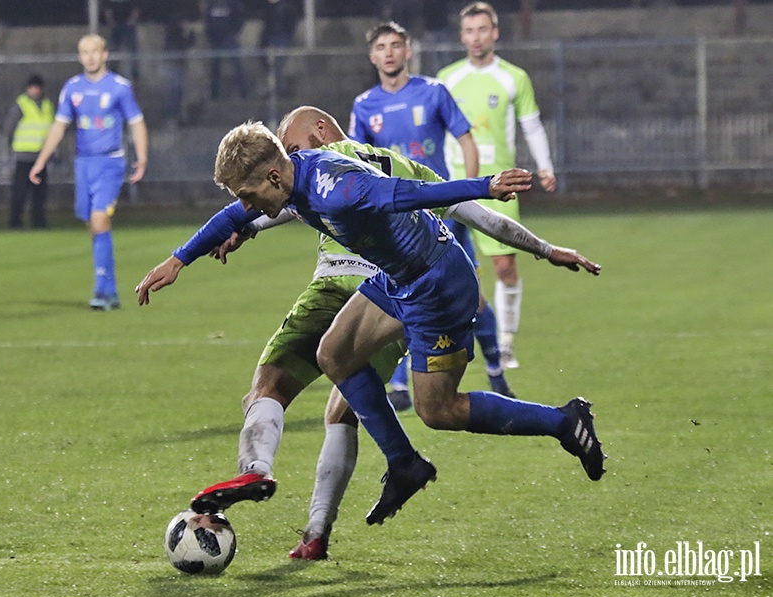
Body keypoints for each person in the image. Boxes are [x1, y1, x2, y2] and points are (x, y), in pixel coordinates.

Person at [137, 117, 604, 554]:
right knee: (333, 355)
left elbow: (411, 194)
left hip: (438, 285)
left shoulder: (341, 189)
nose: (246, 207)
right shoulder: (296, 173)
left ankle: (564, 421)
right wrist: (179, 259)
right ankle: (404, 462)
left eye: (247, 194)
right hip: (395, 279)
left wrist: (487, 187)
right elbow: (231, 219)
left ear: (273, 179)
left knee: (438, 410)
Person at [349, 21, 511, 409]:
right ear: (373, 57)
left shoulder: (433, 92)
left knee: (474, 301)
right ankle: (401, 384)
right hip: (396, 225)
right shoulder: (364, 105)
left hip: (442, 217)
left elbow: (466, 141)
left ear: (408, 51)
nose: (389, 52)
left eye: (395, 45)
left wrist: (466, 196)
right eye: (381, 47)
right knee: (403, 296)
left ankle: (495, 367)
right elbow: (354, 161)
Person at [438, 1, 557, 369]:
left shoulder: (513, 78)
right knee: (447, 270)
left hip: (500, 187)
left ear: (495, 33)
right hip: (453, 188)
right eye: (469, 31)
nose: (476, 38)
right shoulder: (447, 78)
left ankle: (505, 343)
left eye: (483, 30)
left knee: (505, 267)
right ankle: (452, 340)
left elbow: (532, 124)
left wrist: (545, 166)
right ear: (462, 37)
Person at [29, 34, 148, 311]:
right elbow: (59, 126)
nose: (90, 57)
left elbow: (137, 123)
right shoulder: (72, 88)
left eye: (95, 51)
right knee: (92, 226)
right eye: (84, 52)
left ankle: (102, 291)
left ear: (105, 54)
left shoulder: (119, 87)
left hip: (110, 163)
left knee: (99, 221)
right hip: (84, 164)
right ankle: (111, 290)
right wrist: (40, 161)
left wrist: (141, 158)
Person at [4, 74, 54, 229]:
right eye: (32, 87)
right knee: (19, 192)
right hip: (24, 154)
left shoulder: (47, 105)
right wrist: (11, 146)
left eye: (37, 87)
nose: (35, 90)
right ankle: (15, 222)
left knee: (40, 193)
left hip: (41, 156)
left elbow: (51, 128)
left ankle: (38, 222)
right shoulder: (22, 104)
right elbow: (9, 127)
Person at [202, 0, 249, 100]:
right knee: (215, 69)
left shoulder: (233, 3)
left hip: (229, 39)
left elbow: (239, 19)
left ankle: (244, 93)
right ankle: (214, 95)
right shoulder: (212, 4)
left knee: (237, 66)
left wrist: (232, 34)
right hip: (216, 41)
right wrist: (212, 37)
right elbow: (207, 22)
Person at [163, 2, 196, 126]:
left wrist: (191, 35)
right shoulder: (175, 28)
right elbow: (182, 44)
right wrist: (189, 34)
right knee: (174, 90)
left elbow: (188, 43)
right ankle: (171, 118)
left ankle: (177, 117)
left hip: (179, 62)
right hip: (173, 61)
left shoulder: (177, 28)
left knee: (178, 91)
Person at [260, 0, 299, 95]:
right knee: (272, 66)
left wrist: (287, 37)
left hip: (282, 40)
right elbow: (266, 26)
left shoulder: (287, 7)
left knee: (278, 65)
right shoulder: (268, 8)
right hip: (270, 40)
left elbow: (291, 24)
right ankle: (275, 89)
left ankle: (280, 89)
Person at [104, 0, 141, 81]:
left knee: (132, 49)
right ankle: (113, 71)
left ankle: (135, 73)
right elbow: (108, 10)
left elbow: (136, 8)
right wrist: (111, 22)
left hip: (129, 26)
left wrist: (131, 21)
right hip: (116, 26)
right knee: (114, 49)